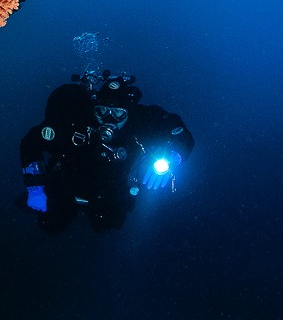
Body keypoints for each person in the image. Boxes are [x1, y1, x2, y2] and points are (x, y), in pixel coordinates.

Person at [20, 71, 194, 233]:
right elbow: (30, 143)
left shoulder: (140, 121)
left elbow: (180, 133)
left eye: (118, 114)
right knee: (49, 227)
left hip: (111, 195)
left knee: (107, 227)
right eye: (102, 111)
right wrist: (35, 188)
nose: (109, 120)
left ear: (129, 113)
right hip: (64, 189)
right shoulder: (75, 120)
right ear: (93, 109)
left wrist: (172, 158)